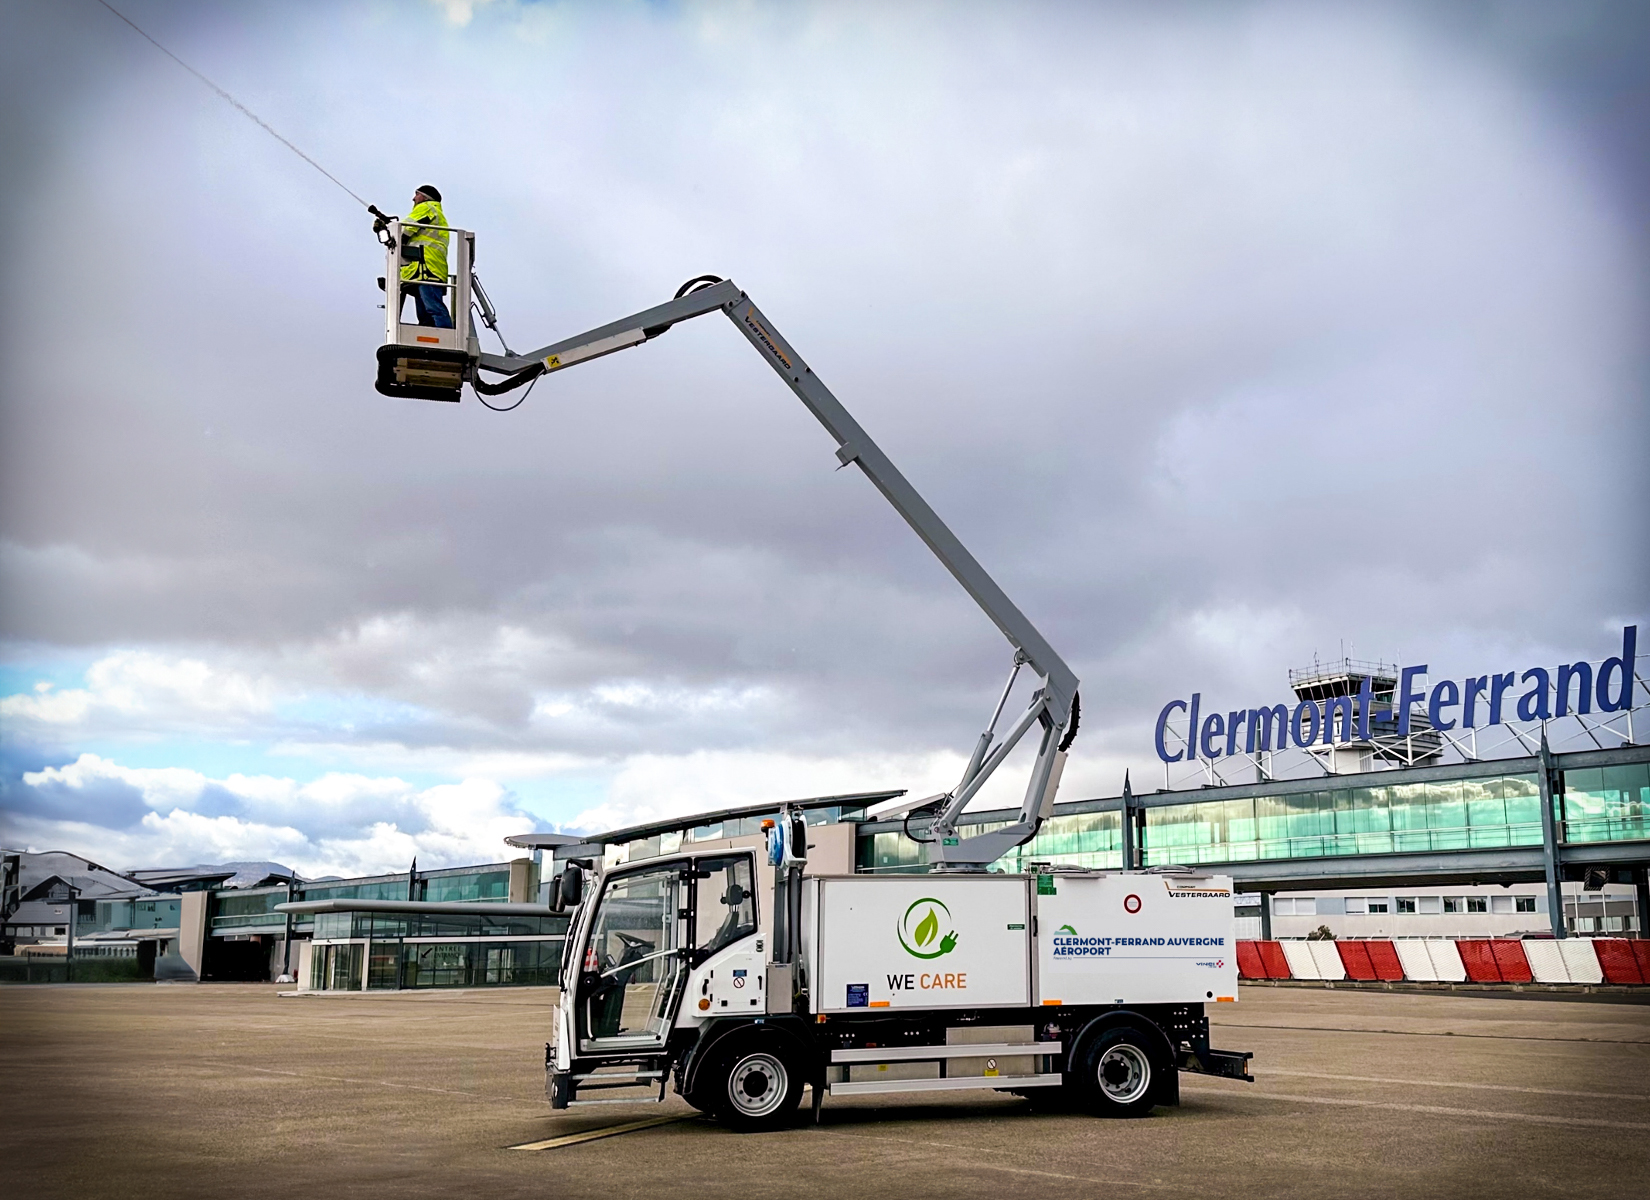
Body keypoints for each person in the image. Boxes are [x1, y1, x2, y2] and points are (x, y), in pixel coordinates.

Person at [398, 185, 452, 328]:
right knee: (425, 315)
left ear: (425, 197)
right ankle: (435, 339)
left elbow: (407, 228)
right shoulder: (434, 212)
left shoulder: (427, 207)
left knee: (433, 308)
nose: (413, 198)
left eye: (416, 194)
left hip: (427, 268)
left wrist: (391, 231)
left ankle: (445, 339)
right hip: (423, 270)